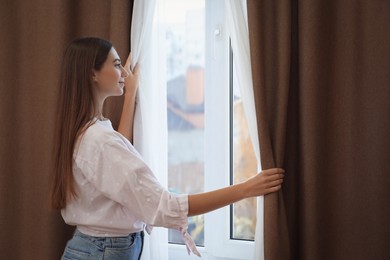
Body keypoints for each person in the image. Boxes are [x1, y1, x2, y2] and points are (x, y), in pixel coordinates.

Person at [50, 37, 285, 260]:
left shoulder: (89, 131)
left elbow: (115, 160)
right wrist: (245, 189)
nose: (123, 72)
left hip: (93, 247)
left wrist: (130, 93)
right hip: (101, 251)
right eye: (117, 64)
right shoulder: (99, 140)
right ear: (93, 73)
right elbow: (166, 207)